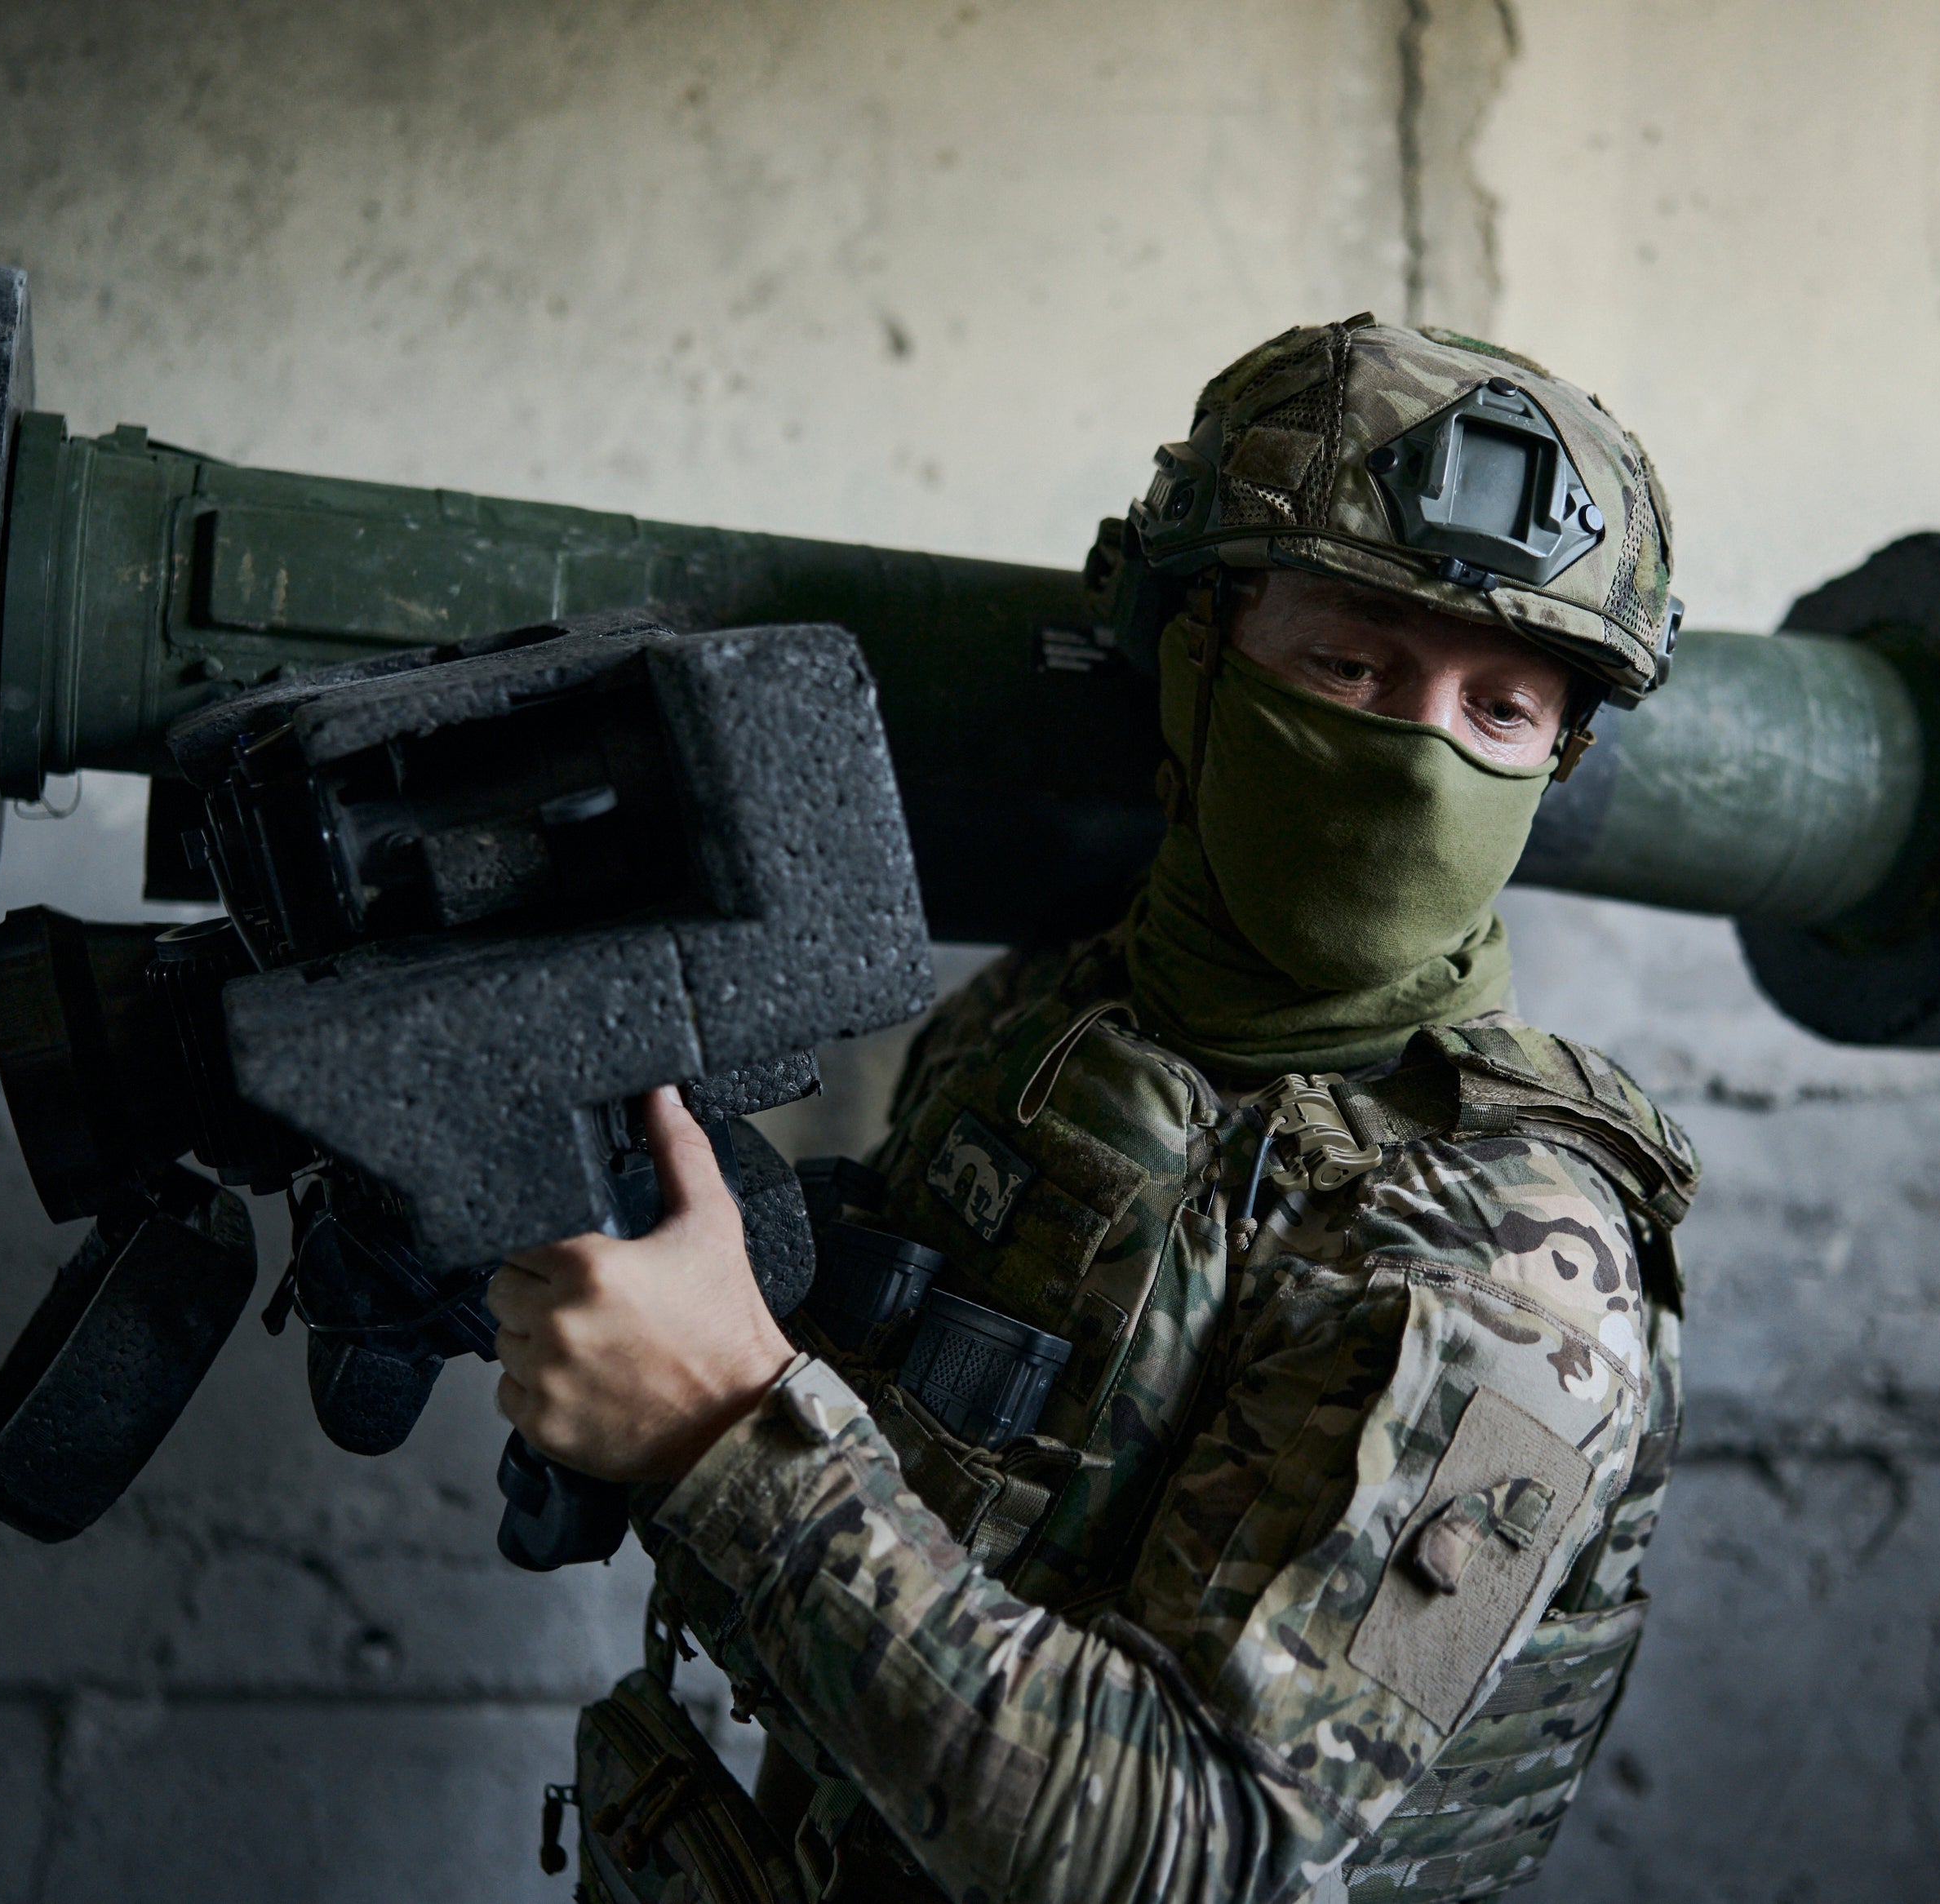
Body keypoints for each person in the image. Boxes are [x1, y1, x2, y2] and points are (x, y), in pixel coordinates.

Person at [491, 314, 1697, 1902]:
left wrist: (728, 1432)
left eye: (1499, 712)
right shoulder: (1053, 1029)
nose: (1415, 762)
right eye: (1350, 664)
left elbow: (1202, 1855)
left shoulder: (1520, 1267)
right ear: (1190, 659)